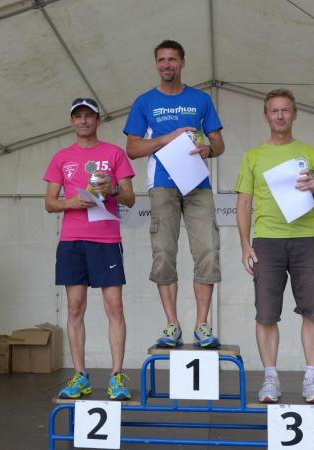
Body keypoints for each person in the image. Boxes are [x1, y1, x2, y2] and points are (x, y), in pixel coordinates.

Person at [235, 89, 314, 404]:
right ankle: (270, 379)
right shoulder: (253, 156)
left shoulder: (310, 153)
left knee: (313, 310)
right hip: (267, 240)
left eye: (285, 110)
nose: (280, 116)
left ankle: (312, 380)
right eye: (274, 110)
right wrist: (245, 245)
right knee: (266, 314)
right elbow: (243, 204)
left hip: (306, 238)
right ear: (266, 116)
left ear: (294, 114)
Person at [124, 39, 225, 348]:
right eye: (162, 60)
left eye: (172, 59)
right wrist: (167, 138)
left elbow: (219, 144)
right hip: (162, 183)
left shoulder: (201, 99)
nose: (167, 64)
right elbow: (132, 149)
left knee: (207, 251)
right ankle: (172, 324)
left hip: (197, 183)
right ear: (156, 64)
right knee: (164, 253)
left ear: (182, 62)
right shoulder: (144, 102)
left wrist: (208, 148)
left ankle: (202, 325)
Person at [45, 98, 135, 400]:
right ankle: (80, 375)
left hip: (106, 240)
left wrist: (113, 189)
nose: (83, 121)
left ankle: (117, 376)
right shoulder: (61, 157)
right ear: (72, 121)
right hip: (72, 241)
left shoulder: (114, 153)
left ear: (98, 120)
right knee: (74, 308)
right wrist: (70, 202)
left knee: (115, 307)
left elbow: (130, 198)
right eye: (78, 116)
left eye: (89, 116)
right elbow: (49, 203)